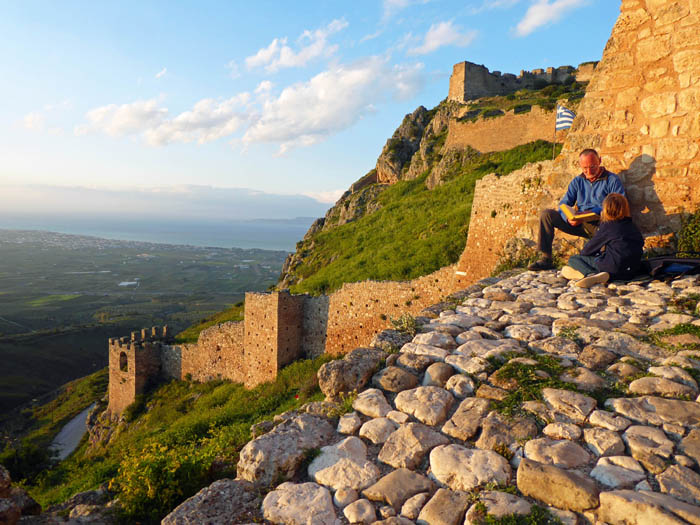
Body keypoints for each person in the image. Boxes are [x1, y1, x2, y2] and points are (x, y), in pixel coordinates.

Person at [528, 148, 626, 271]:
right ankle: (546, 258)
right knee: (546, 215)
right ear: (580, 165)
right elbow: (564, 204)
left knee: (609, 229)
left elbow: (619, 205)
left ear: (600, 161)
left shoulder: (612, 180)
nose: (589, 171)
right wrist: (568, 218)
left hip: (601, 225)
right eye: (585, 168)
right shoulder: (577, 182)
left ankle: (603, 263)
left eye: (593, 167)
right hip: (578, 223)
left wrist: (594, 212)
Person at [560, 193, 643, 288]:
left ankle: (590, 274)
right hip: (632, 270)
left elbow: (586, 251)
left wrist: (597, 256)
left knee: (574, 259)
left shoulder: (608, 226)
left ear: (606, 209)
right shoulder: (632, 226)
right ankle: (596, 275)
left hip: (613, 268)